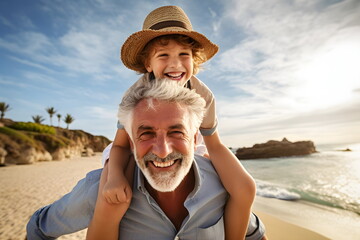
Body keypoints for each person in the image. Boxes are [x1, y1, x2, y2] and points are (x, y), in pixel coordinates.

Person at [26, 79, 266, 240]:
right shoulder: (98, 191)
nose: (162, 151)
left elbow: (255, 234)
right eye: (146, 133)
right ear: (131, 142)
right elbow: (39, 229)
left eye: (176, 132)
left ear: (195, 139)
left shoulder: (223, 185)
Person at [102, 6, 257, 239]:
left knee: (245, 188)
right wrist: (115, 176)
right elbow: (121, 145)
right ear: (148, 64)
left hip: (186, 145)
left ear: (194, 61)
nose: (175, 64)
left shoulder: (203, 95)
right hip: (138, 145)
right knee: (110, 187)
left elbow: (214, 144)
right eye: (163, 56)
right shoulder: (136, 96)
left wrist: (239, 183)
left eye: (184, 55)